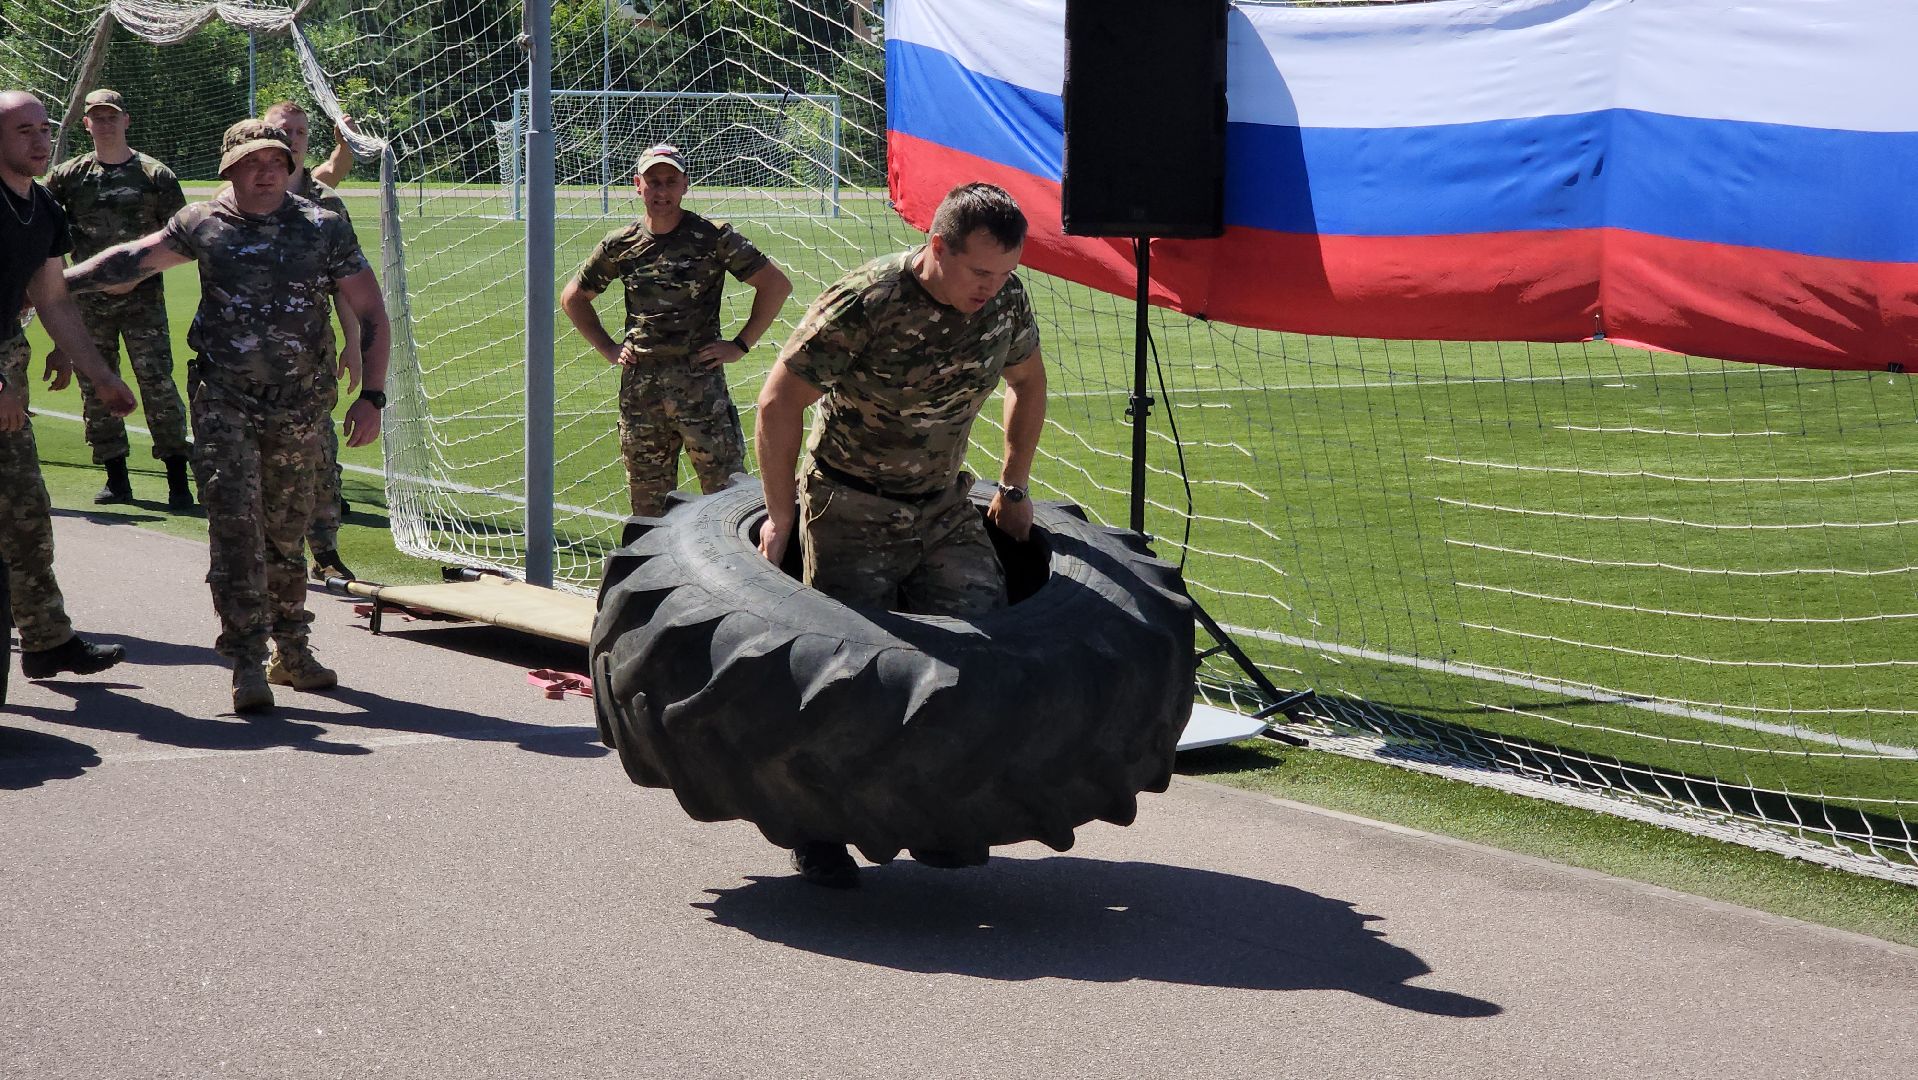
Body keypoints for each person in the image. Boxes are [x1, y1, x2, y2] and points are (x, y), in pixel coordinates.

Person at [753, 181, 1047, 888]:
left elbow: (1028, 381)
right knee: (846, 679)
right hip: (852, 505)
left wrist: (1012, 485)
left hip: (944, 506)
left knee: (977, 659)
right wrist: (782, 514)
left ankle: (934, 815)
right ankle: (817, 830)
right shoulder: (869, 301)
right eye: (980, 271)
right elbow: (777, 401)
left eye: (1005, 272)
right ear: (937, 247)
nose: (993, 287)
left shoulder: (1005, 300)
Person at [66, 118, 391, 715]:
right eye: (251, 163)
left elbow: (371, 311)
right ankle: (246, 659)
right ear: (230, 169)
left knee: (288, 533)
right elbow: (132, 260)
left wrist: (372, 397)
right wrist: (56, 285)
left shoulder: (323, 228)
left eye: (275, 161)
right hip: (225, 402)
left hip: (299, 406)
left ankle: (292, 649)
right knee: (236, 528)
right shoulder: (202, 224)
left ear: (289, 167)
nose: (266, 171)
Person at [560, 143, 791, 517]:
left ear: (685, 185)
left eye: (670, 181)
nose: (661, 191)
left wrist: (740, 344)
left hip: (700, 387)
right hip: (642, 392)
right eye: (653, 182)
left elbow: (775, 285)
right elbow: (574, 297)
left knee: (726, 497)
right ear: (638, 185)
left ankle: (730, 574)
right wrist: (608, 348)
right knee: (648, 505)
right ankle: (649, 576)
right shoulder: (622, 244)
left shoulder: (714, 237)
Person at [0, 90, 138, 682]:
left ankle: (47, 640)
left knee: (25, 510)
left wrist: (103, 377)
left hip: (6, 363)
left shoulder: (44, 208)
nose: (39, 140)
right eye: (23, 130)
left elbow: (52, 299)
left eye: (44, 128)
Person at [43, 89, 192, 509]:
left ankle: (178, 479)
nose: (105, 124)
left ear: (126, 120)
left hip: (143, 299)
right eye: (97, 117)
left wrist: (138, 275)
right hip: (89, 304)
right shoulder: (67, 177)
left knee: (157, 385)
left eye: (112, 116)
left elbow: (184, 240)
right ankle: (116, 478)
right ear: (86, 124)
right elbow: (50, 238)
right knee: (96, 386)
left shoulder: (154, 175)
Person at [260, 100, 360, 582]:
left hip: (310, 357)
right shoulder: (236, 197)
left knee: (320, 454)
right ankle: (272, 555)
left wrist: (354, 341)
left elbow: (347, 284)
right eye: (284, 129)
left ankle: (325, 550)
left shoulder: (326, 202)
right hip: (251, 360)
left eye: (300, 131)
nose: (292, 138)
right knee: (260, 463)